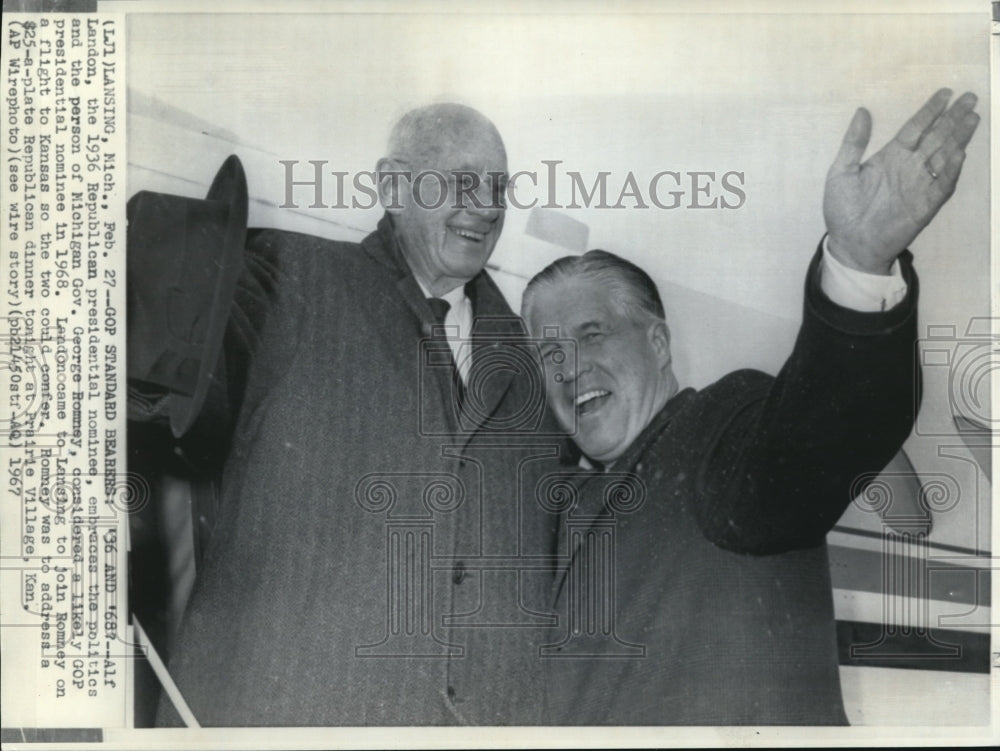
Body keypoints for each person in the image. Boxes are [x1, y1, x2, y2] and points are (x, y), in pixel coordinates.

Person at [520, 89, 979, 724]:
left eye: (591, 334)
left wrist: (858, 266)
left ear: (656, 340)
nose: (568, 367)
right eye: (548, 356)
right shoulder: (556, 509)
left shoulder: (718, 429)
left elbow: (815, 437)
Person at [156, 104, 561, 726]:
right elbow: (170, 384)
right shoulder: (289, 277)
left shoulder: (528, 362)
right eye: (460, 180)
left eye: (498, 187)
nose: (485, 205)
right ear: (393, 187)